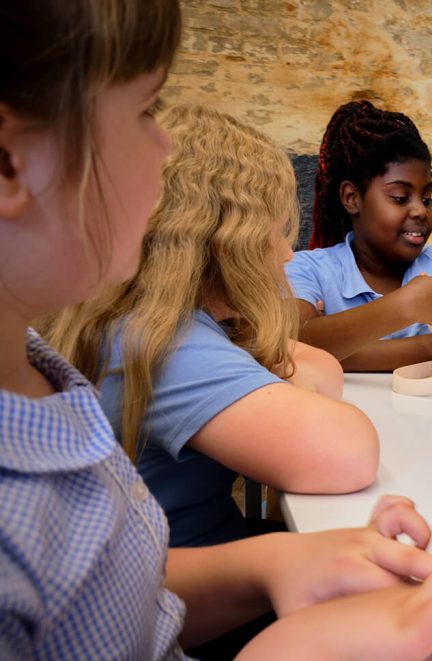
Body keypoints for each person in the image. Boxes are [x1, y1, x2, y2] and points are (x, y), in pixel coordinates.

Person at [0, 1, 432, 657]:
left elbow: (122, 597)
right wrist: (298, 640)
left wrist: (278, 564)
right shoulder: (163, 336)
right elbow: (331, 393)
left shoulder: (37, 367)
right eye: (146, 109)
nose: (164, 143)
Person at [45, 103, 379, 548]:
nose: (286, 255)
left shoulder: (138, 318)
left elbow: (324, 372)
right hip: (179, 588)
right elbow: (349, 452)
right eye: (277, 233)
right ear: (226, 242)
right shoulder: (166, 344)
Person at [287, 99, 432, 372]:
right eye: (399, 197)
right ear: (352, 198)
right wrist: (405, 307)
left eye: (427, 198)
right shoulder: (308, 269)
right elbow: (285, 347)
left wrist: (328, 348)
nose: (419, 210)